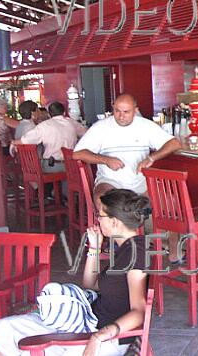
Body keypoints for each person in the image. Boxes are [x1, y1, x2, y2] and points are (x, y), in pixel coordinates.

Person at [0, 189, 150, 356]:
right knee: (4, 330)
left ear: (115, 222)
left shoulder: (137, 253)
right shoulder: (124, 249)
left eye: (100, 215)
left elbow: (139, 310)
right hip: (84, 322)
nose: (97, 220)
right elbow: (90, 284)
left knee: (20, 347)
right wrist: (94, 248)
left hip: (104, 335)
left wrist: (100, 336)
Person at [73, 94, 182, 261]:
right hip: (111, 182)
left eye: (126, 112)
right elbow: (78, 153)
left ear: (135, 110)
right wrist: (105, 159)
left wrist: (152, 158)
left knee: (171, 202)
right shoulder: (101, 127)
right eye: (117, 111)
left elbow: (174, 143)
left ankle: (174, 251)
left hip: (141, 184)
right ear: (112, 107)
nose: (121, 115)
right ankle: (121, 247)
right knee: (104, 200)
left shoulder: (146, 126)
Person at [14, 102, 87, 174]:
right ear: (64, 113)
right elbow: (86, 134)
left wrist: (13, 142)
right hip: (71, 165)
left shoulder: (44, 126)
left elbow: (25, 140)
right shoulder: (72, 122)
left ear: (49, 114)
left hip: (51, 166)